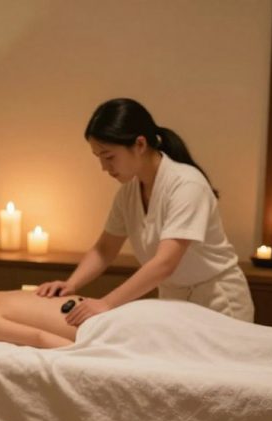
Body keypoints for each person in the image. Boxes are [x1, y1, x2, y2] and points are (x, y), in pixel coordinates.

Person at [37, 98, 254, 325]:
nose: (104, 167)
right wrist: (71, 284)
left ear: (140, 145)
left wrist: (106, 303)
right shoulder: (129, 192)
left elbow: (165, 262)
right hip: (174, 299)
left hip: (217, 300)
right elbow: (104, 249)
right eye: (99, 158)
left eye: (109, 156)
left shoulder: (187, 185)